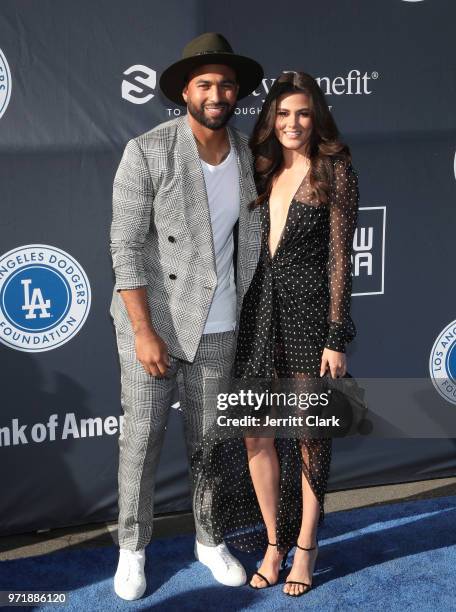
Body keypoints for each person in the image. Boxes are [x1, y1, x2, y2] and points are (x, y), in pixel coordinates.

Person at [109, 32, 263, 600]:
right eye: (205, 84)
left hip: (220, 323)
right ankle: (131, 549)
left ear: (236, 92)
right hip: (153, 324)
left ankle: (208, 538)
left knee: (209, 442)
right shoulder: (147, 151)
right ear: (185, 92)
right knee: (142, 441)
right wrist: (145, 330)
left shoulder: (249, 153)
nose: (217, 92)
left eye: (225, 83)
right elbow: (124, 248)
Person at [197, 70, 359, 597]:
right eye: (283, 113)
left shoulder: (334, 170)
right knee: (255, 433)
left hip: (311, 317)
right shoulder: (259, 166)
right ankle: (274, 542)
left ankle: (306, 548)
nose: (292, 123)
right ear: (271, 118)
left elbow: (340, 262)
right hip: (256, 315)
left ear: (317, 118)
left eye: (303, 113)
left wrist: (337, 335)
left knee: (311, 438)